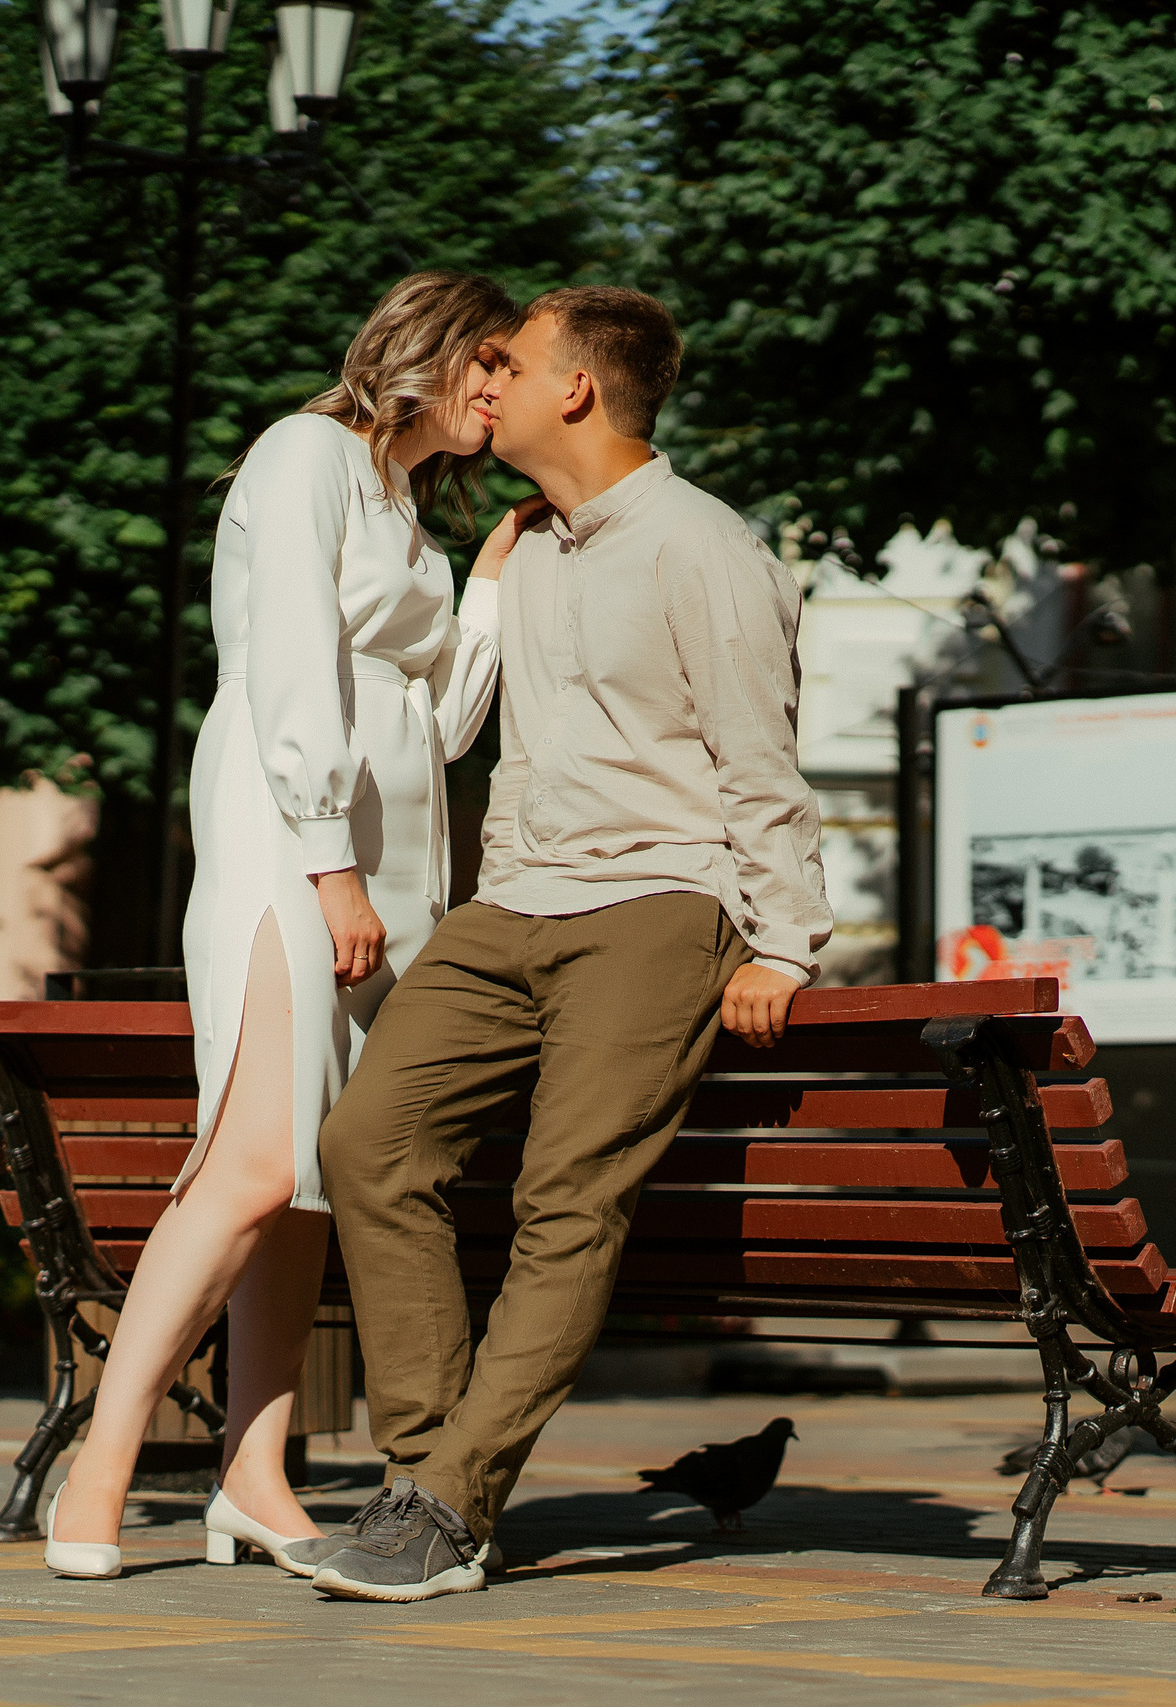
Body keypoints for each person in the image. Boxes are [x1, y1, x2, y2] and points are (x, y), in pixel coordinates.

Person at [307, 286, 833, 1604]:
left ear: (579, 391)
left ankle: (445, 1504)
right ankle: (431, 1475)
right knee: (372, 1143)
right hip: (515, 902)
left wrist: (784, 943)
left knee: (565, 1202)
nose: (489, 379)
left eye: (513, 360)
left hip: (661, 904)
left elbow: (760, 763)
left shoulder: (705, 547)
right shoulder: (530, 548)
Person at [43, 271, 541, 1581]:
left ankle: (254, 1479)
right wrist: (330, 868)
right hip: (290, 840)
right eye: (486, 364)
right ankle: (98, 1466)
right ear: (424, 352)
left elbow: (438, 728)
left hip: (390, 866)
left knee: (317, 1178)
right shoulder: (309, 453)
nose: (499, 393)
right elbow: (285, 671)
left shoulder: (413, 525)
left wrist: (483, 585)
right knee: (256, 1160)